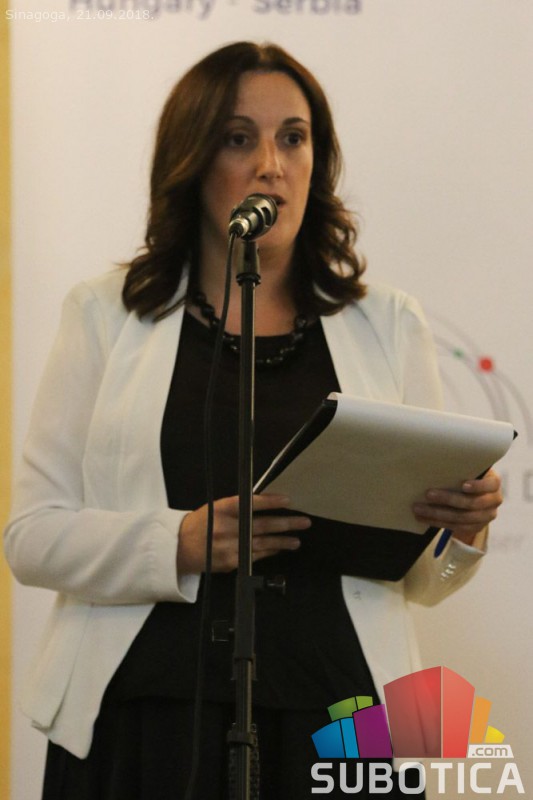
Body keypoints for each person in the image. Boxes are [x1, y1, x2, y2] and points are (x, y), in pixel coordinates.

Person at [4, 41, 503, 800]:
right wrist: (177, 542)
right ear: (192, 160)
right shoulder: (107, 313)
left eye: (293, 138)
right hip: (148, 716)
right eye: (239, 139)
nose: (271, 165)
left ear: (317, 162)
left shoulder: (387, 325)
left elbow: (419, 580)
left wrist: (462, 531)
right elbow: (32, 536)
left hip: (341, 718)